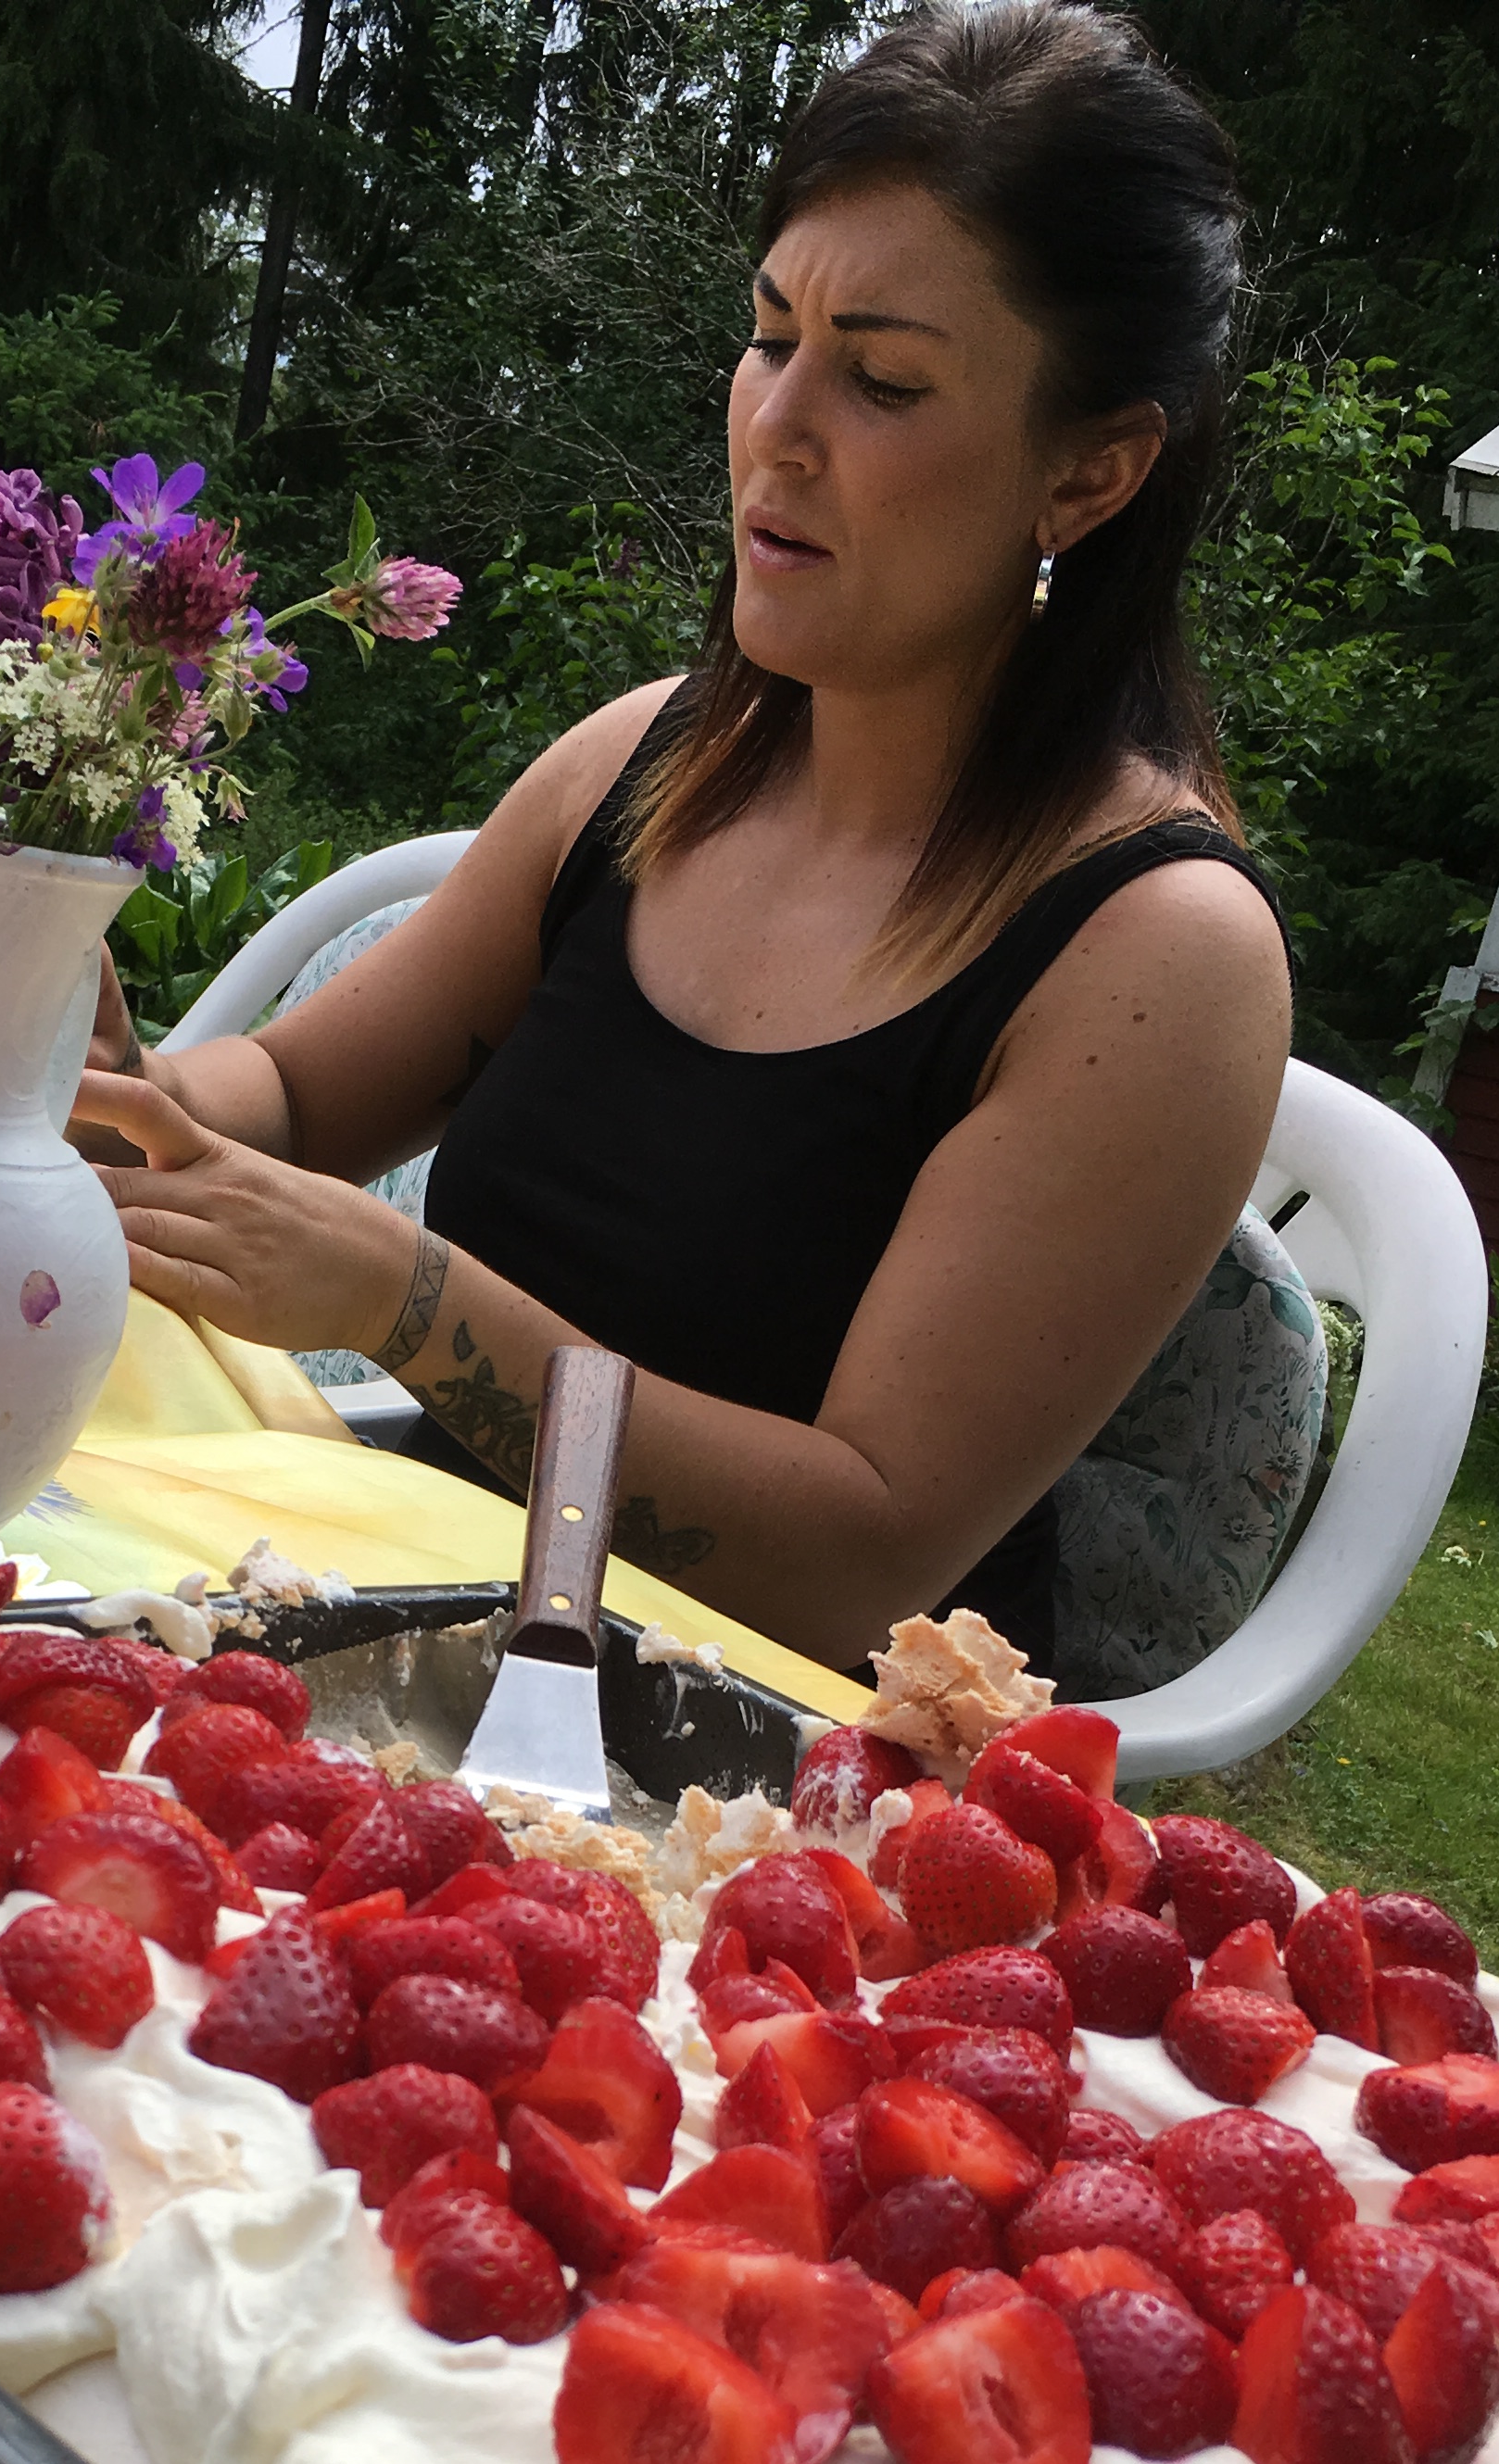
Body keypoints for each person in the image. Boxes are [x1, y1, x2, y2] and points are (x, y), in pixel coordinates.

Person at [70, 1, 1291, 1683]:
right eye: (769, 335)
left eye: (881, 379)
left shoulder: (1157, 959)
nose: (775, 424)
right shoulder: (651, 761)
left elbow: (861, 1562)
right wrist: (99, 1082)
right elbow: (287, 1096)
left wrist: (406, 1304)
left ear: (1087, 475)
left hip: (731, 1766)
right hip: (374, 1628)